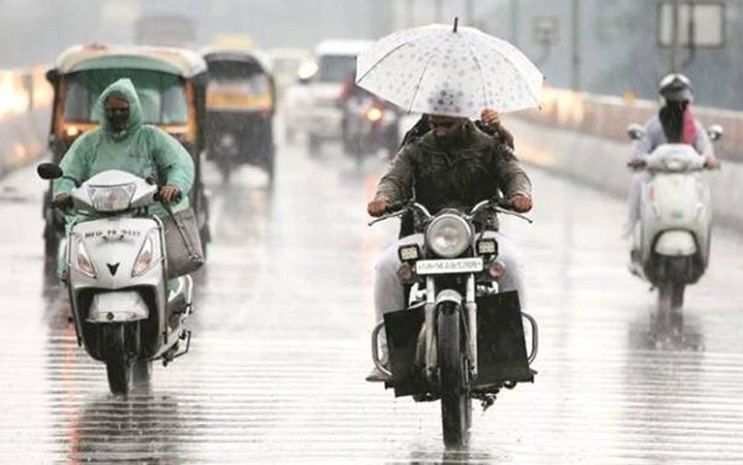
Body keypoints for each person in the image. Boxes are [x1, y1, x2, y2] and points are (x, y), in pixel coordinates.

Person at [365, 111, 533, 382]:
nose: (440, 130)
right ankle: (389, 355)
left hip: (481, 234)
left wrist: (520, 194)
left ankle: (515, 348)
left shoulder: (491, 145)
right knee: (386, 267)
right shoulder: (416, 149)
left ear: (463, 119)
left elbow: (514, 172)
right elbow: (394, 178)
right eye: (435, 125)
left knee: (510, 263)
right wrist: (383, 197)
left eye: (447, 125)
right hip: (427, 234)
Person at [53, 78, 195, 276]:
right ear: (103, 111)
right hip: (96, 218)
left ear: (134, 109)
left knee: (161, 269)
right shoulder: (88, 143)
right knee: (74, 269)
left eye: (122, 110)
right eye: (111, 111)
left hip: (144, 217)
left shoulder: (150, 137)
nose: (116, 115)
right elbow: (67, 172)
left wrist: (174, 185)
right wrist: (63, 192)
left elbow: (178, 163)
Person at [626, 73, 717, 236]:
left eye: (680, 97)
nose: (676, 102)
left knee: (704, 195)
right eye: (672, 98)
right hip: (657, 177)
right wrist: (639, 160)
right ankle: (636, 233)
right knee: (639, 185)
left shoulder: (694, 127)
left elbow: (705, 146)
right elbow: (641, 147)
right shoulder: (653, 126)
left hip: (688, 177)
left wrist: (709, 159)